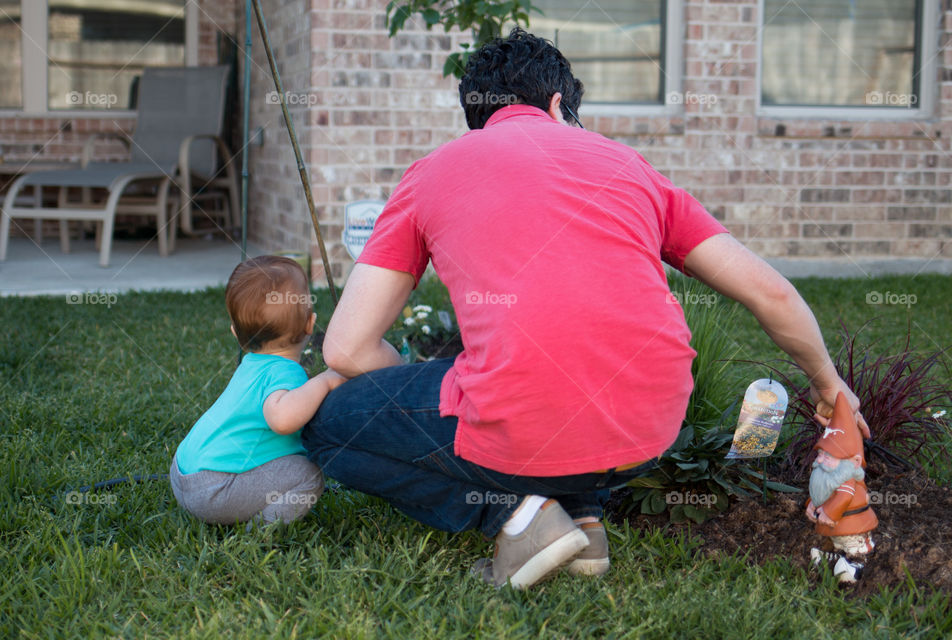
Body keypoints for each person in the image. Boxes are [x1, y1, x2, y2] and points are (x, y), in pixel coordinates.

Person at [301, 28, 868, 589]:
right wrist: (827, 384)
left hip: (525, 423)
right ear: (556, 104)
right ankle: (584, 523)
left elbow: (346, 349)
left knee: (327, 428)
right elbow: (769, 292)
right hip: (650, 430)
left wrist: (417, 396)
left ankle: (519, 518)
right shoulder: (630, 164)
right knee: (569, 375)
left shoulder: (435, 170)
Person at [171, 256, 345, 526]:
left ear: (234, 332)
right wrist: (324, 381)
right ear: (310, 324)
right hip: (215, 490)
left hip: (182, 471)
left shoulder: (250, 364)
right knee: (308, 475)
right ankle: (259, 529)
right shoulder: (285, 372)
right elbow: (282, 420)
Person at [806, 392, 877, 583]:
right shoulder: (828, 478)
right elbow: (821, 493)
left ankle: (855, 566)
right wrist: (812, 504)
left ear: (853, 461)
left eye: (828, 457)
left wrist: (828, 513)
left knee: (855, 547)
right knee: (840, 544)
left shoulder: (848, 481)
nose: (820, 460)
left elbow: (843, 499)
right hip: (836, 528)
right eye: (820, 454)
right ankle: (836, 560)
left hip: (853, 526)